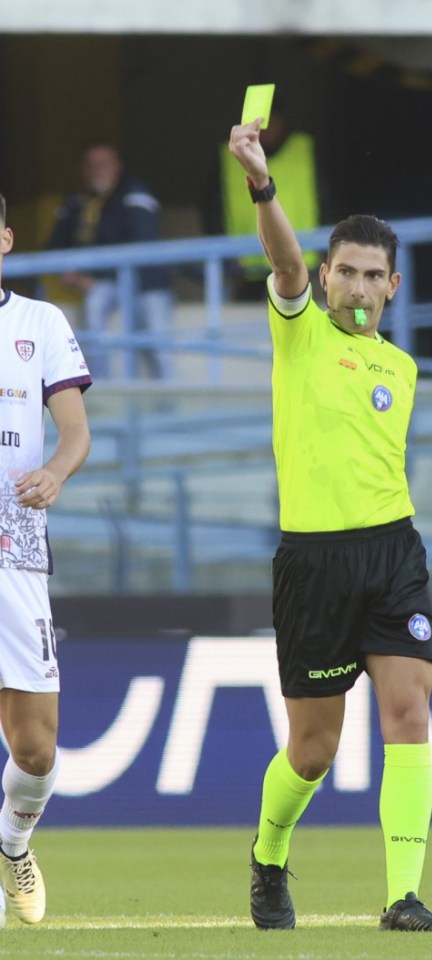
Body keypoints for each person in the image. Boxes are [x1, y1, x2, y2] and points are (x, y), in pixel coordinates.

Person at [228, 118, 432, 934]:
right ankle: (267, 856)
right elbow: (281, 260)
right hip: (314, 564)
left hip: (393, 552)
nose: (358, 288)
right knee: (313, 752)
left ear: (392, 287)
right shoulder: (297, 334)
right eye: (346, 273)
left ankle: (403, 897)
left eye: (373, 277)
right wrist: (262, 183)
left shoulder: (402, 366)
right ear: (324, 278)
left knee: (408, 712)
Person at [0, 193, 92, 924]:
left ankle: (11, 842)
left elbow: (74, 432)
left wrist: (57, 473)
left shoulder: (40, 323)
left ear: (4, 241)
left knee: (35, 749)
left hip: (15, 543)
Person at [48, 142, 173, 379]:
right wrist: (71, 272)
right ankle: (101, 390)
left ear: (117, 167)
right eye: (91, 165)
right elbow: (55, 243)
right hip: (108, 284)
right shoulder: (79, 201)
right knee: (95, 307)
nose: (97, 170)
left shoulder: (135, 193)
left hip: (148, 283)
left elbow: (142, 244)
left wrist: (92, 278)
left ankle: (172, 410)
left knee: (160, 345)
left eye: (104, 164)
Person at [204, 108, 323, 300]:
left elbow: (328, 201)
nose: (263, 131)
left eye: (268, 123)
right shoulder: (227, 156)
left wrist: (326, 250)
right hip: (246, 273)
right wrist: (226, 255)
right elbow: (211, 209)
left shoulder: (305, 148)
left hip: (304, 268)